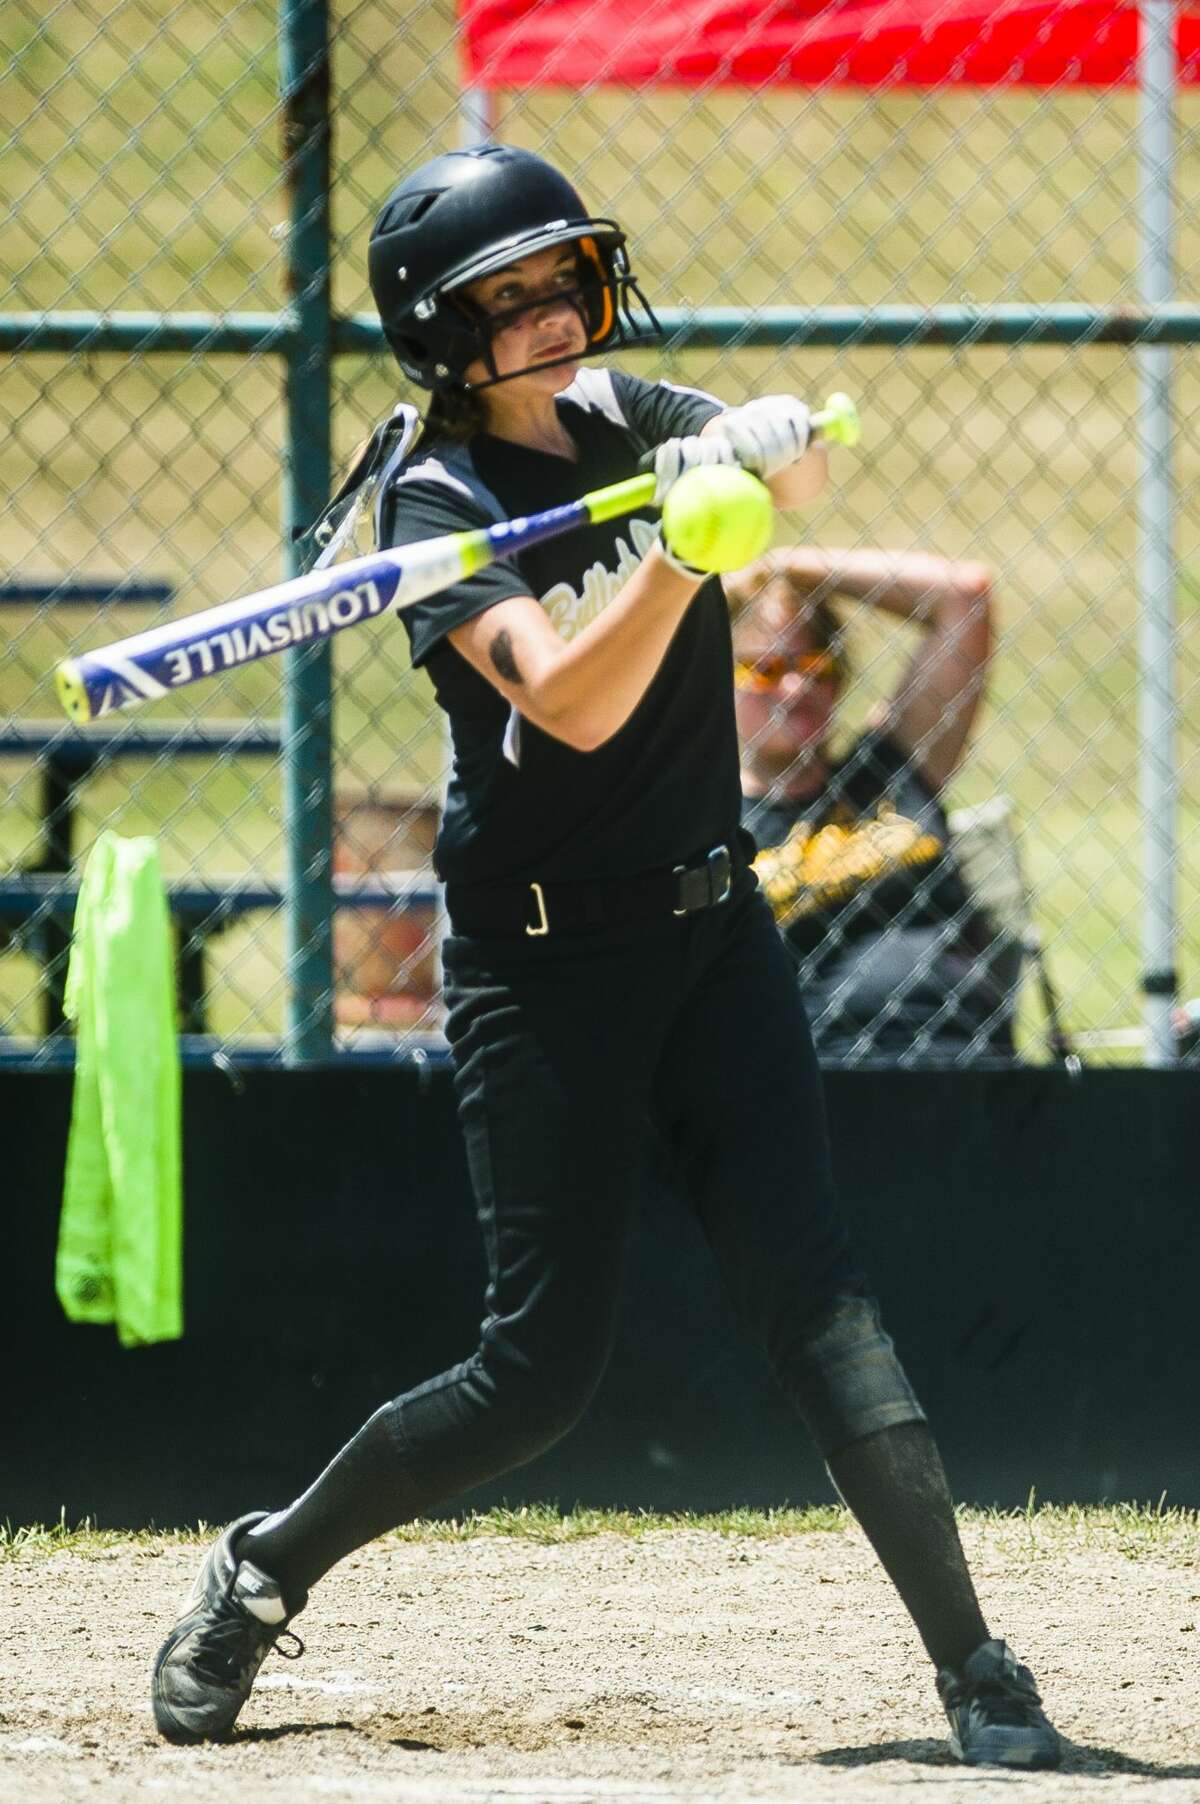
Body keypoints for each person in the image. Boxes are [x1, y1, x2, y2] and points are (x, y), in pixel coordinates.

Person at [150, 144, 1060, 1769]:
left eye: (563, 280)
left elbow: (777, 482)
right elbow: (564, 699)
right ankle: (265, 1563)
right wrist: (681, 555)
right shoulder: (432, 510)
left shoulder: (620, 420)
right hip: (543, 969)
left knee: (823, 1303)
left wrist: (747, 449)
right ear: (443, 335)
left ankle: (981, 1669)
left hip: (716, 931)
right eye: (508, 302)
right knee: (536, 1375)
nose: (554, 318)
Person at [728, 547, 1015, 1063]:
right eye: (764, 669)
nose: (797, 688)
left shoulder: (890, 767)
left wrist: (783, 564)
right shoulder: (714, 827)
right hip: (832, 1081)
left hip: (965, 1059)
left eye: (817, 665)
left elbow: (965, 594)